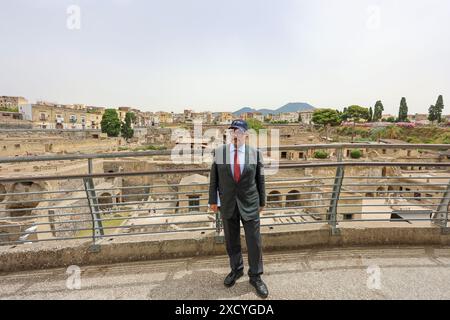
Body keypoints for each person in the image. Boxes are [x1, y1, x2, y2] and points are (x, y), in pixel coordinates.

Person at [208, 119, 268, 298]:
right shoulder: (219, 153)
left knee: (254, 242)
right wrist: (213, 200)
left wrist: (262, 202)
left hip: (250, 203)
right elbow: (214, 180)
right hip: (227, 204)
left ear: (246, 135)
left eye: (239, 131)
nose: (235, 135)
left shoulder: (255, 154)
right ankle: (236, 269)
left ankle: (256, 276)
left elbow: (260, 180)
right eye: (232, 131)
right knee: (231, 241)